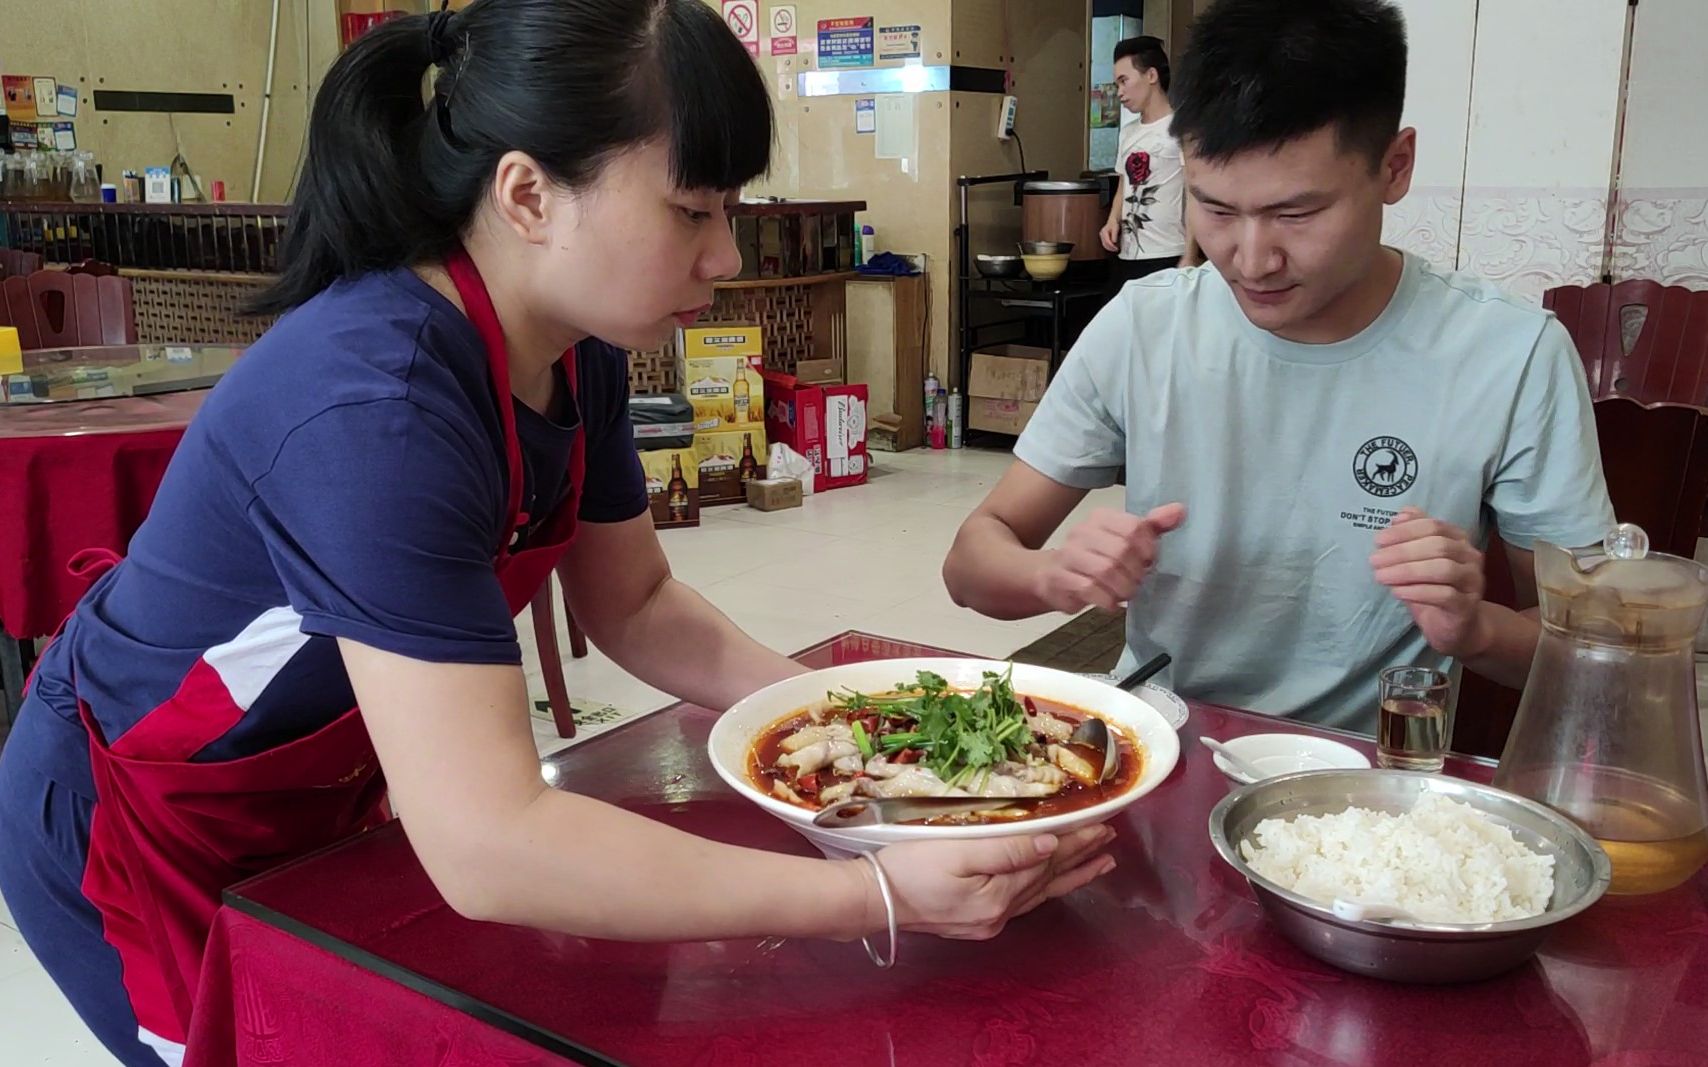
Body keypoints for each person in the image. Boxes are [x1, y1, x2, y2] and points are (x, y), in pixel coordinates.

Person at [0, 3, 1112, 1064]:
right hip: (140, 823)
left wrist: (861, 728)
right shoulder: (376, 408)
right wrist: (874, 895)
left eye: (728, 209)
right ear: (527, 194)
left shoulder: (572, 349)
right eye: (692, 211)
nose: (724, 256)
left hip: (327, 789)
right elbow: (490, 842)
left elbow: (632, 602)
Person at [944, 0, 1613, 733]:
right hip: (1165, 751)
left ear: (1395, 166)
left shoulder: (1509, 354)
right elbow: (971, 561)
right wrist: (1052, 574)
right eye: (1216, 209)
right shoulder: (1146, 326)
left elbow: (1596, 655)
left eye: (1296, 215)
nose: (1252, 258)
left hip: (1364, 792)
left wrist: (1475, 628)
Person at [1098, 35, 1199, 294]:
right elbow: (1125, 182)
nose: (1119, 92)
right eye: (1116, 83)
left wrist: (1190, 255)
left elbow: (1194, 193)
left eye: (1124, 81)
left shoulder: (1181, 128)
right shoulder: (1128, 133)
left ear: (1151, 75)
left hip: (1168, 253)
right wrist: (1112, 220)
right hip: (1127, 255)